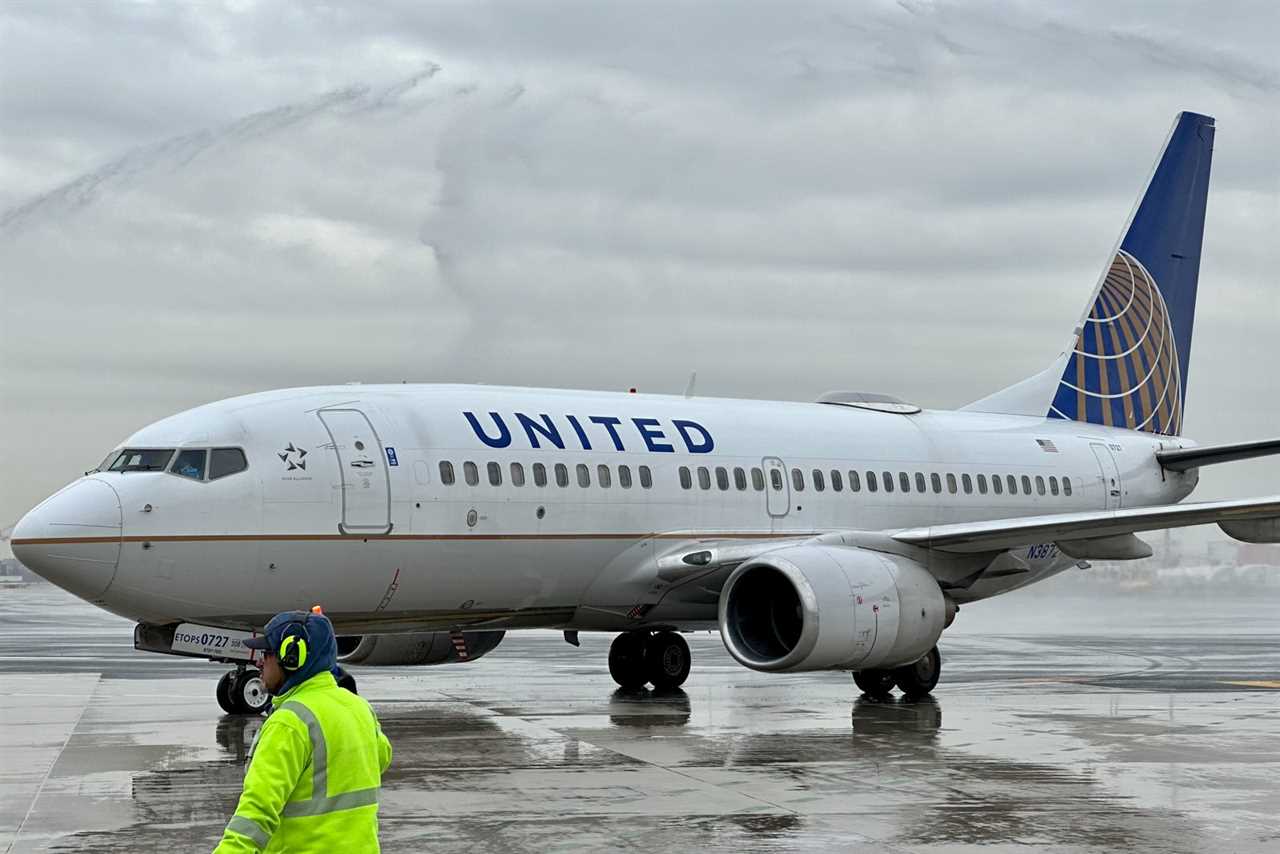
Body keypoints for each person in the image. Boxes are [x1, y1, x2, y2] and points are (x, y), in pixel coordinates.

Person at [214, 608, 392, 853]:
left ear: (292, 657)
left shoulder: (290, 723)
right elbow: (381, 758)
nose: (259, 661)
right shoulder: (359, 708)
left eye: (267, 653)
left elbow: (255, 813)